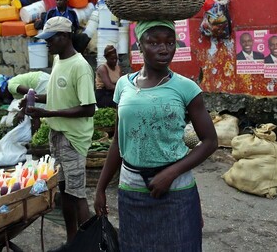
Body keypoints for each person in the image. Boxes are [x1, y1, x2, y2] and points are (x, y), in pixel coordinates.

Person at [93, 20, 218, 251]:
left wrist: (171, 173)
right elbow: (118, 143)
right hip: (132, 190)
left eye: (170, 43)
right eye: (154, 42)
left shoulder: (186, 88)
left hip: (176, 192)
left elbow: (210, 141)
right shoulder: (123, 85)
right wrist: (100, 188)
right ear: (139, 45)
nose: (164, 49)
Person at [25, 17, 96, 251]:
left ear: (64, 37)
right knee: (64, 191)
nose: (47, 44)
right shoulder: (57, 60)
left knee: (77, 194)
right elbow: (57, 97)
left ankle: (89, 245)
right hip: (57, 135)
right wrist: (34, 101)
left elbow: (88, 108)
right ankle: (72, 241)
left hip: (73, 139)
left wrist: (47, 112)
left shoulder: (80, 66)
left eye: (50, 39)